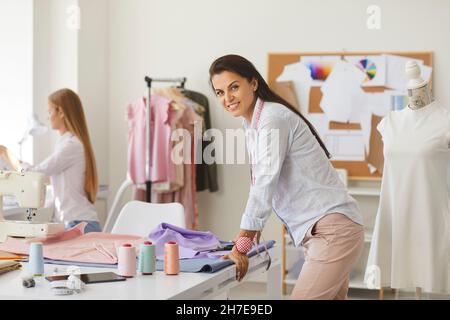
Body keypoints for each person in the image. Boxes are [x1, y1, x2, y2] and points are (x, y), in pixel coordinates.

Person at [209, 54, 364, 300]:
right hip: (324, 232)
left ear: (254, 83)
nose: (227, 98)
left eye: (234, 87)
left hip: (331, 232)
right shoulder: (252, 125)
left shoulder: (272, 119)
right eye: (219, 92)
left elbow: (264, 183)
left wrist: (242, 245)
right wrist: (248, 236)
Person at [365, 61, 450, 296]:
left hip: (431, 216)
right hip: (396, 214)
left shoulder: (445, 121)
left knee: (429, 274)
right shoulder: (389, 123)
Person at [0, 88, 101, 233]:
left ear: (61, 112)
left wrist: (6, 153)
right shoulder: (65, 143)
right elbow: (45, 176)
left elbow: (35, 173)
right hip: (74, 222)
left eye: (49, 111)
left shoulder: (71, 146)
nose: (48, 117)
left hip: (80, 224)